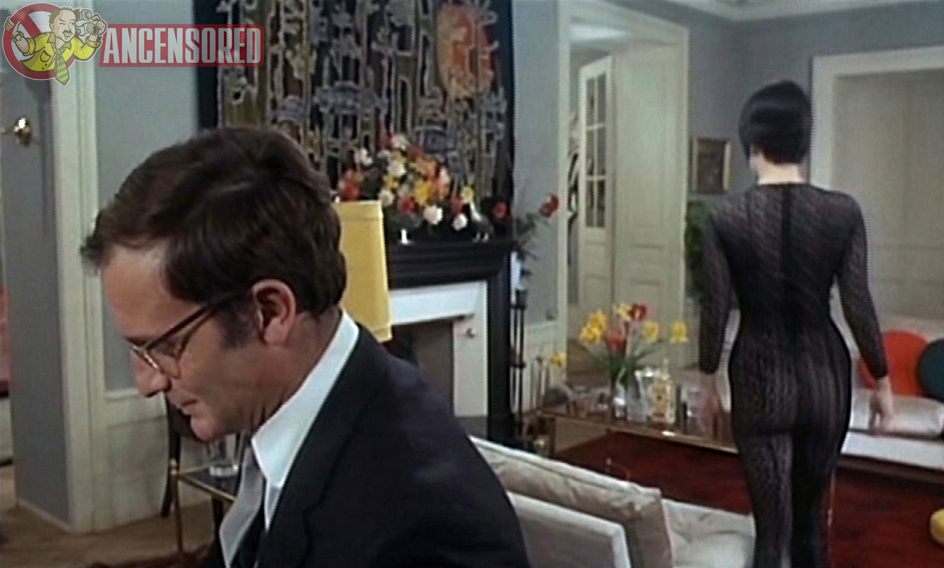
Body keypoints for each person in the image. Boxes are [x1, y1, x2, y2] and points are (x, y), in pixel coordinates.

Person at [81, 127, 530, 568]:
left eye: (164, 346)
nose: (146, 382)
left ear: (270, 312)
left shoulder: (418, 535)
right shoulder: (311, 407)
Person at [699, 80, 895, 568]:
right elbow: (857, 302)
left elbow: (715, 309)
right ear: (803, 141)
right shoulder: (843, 213)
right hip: (825, 379)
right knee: (810, 525)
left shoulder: (725, 218)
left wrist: (708, 384)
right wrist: (883, 380)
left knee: (772, 535)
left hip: (760, 378)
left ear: (752, 142)